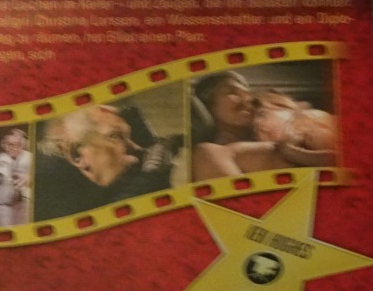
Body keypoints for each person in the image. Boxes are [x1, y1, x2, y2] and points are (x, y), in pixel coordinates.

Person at [35, 104, 177, 219]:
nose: (136, 153)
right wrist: (151, 180)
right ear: (77, 155)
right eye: (115, 137)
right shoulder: (49, 197)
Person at [191, 74, 336, 180]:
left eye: (247, 94)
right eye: (232, 92)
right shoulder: (207, 153)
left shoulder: (291, 129)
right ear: (208, 105)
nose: (247, 99)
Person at [0, 128, 32, 201]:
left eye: (16, 144)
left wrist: (29, 178)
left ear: (23, 145)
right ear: (3, 144)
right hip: (4, 199)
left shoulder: (31, 158)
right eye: (7, 144)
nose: (10, 148)